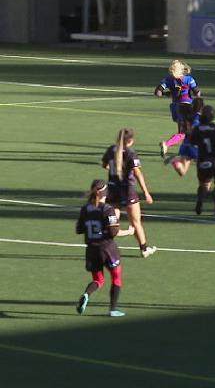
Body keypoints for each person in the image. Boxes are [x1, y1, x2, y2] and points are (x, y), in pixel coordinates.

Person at [75, 179, 136, 317]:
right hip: (107, 249)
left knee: (98, 280)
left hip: (91, 250)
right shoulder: (107, 209)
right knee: (116, 277)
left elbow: (79, 229)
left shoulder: (85, 209)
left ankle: (87, 294)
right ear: (105, 193)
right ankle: (113, 309)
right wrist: (128, 231)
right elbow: (114, 232)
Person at [101, 128, 157, 257]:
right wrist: (146, 192)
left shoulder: (111, 150)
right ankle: (144, 249)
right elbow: (137, 173)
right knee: (136, 222)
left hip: (113, 189)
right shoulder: (131, 153)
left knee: (112, 222)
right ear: (130, 140)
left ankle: (105, 247)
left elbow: (105, 165)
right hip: (127, 191)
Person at [154, 60, 202, 158]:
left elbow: (157, 92)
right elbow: (197, 92)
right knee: (184, 132)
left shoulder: (168, 79)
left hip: (175, 108)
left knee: (188, 130)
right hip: (186, 108)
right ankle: (167, 144)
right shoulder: (189, 79)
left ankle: (186, 150)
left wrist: (167, 94)